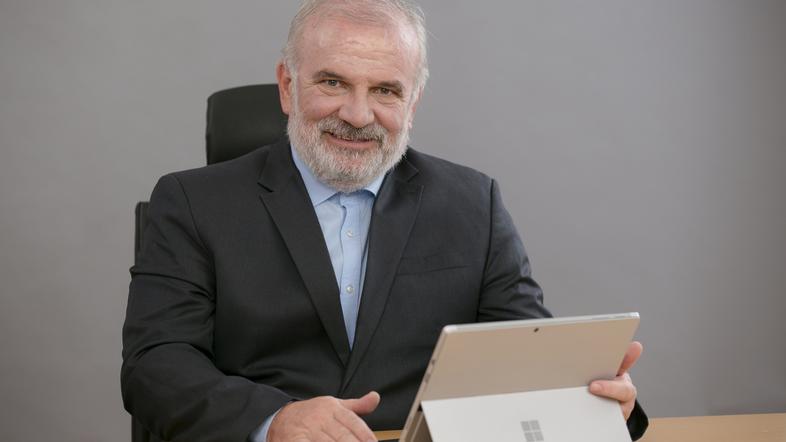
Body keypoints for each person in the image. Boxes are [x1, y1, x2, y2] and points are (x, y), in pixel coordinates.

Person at [121, 1, 648, 441]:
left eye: (385, 90)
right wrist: (275, 420)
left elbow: (525, 356)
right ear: (287, 85)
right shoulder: (193, 202)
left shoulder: (473, 204)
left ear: (413, 102)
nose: (357, 114)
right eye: (333, 82)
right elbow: (155, 364)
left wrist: (598, 400)